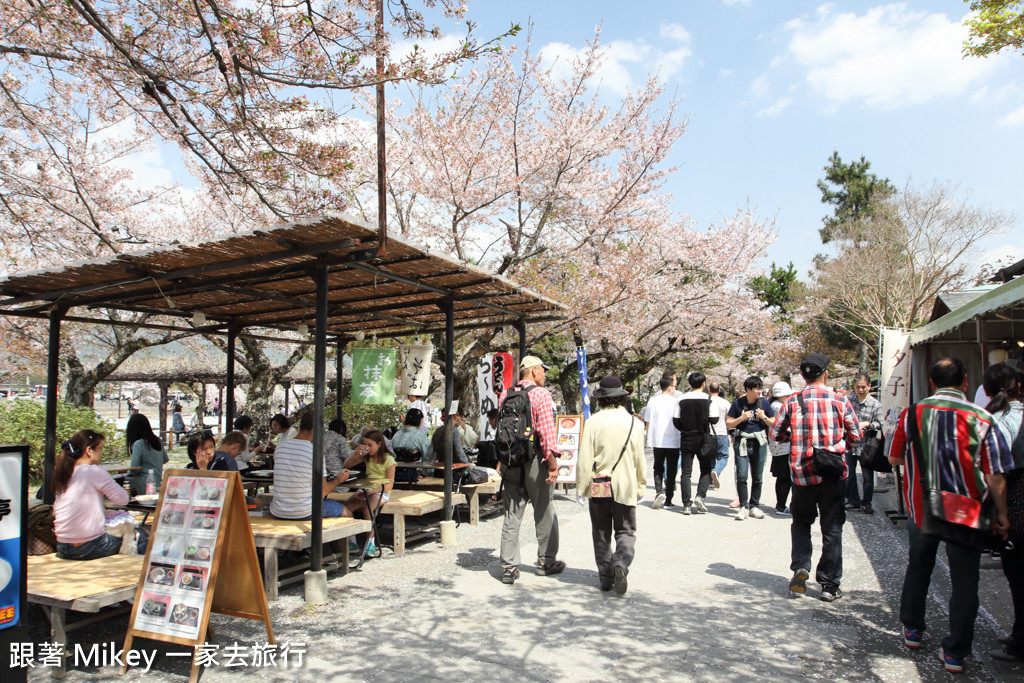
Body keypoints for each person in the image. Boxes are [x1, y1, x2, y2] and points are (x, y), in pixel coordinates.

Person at [887, 357, 1012, 673]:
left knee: (919, 567)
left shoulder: (911, 414)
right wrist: (1002, 513)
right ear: (966, 381)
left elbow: (894, 456)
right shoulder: (982, 418)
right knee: (965, 580)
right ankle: (955, 652)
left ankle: (913, 630)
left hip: (922, 507)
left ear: (931, 382)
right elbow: (996, 474)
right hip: (966, 510)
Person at [771, 353, 861, 602]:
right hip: (833, 474)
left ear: (802, 376)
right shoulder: (840, 400)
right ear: (826, 374)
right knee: (832, 528)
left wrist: (795, 439)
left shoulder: (793, 401)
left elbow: (776, 433)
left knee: (801, 523)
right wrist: (842, 444)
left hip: (802, 474)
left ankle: (801, 566)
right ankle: (829, 584)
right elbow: (856, 435)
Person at [498, 355, 565, 584]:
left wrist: (502, 460)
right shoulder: (541, 394)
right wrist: (553, 465)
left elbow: (499, 430)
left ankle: (508, 567)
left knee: (511, 513)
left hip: (511, 462)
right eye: (543, 370)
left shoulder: (505, 396)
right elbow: (546, 434)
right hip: (536, 460)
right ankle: (546, 561)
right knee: (544, 510)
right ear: (534, 370)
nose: (545, 375)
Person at [576, 376, 646, 594]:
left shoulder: (593, 422)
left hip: (599, 485)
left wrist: (581, 488)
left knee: (601, 532)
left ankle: (606, 577)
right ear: (621, 398)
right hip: (625, 484)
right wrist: (641, 486)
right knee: (625, 530)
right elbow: (640, 459)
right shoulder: (635, 423)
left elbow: (585, 458)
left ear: (601, 399)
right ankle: (621, 563)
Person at [53, 430, 149, 559]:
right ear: (89, 451)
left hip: (62, 545)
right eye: (100, 449)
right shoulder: (93, 471)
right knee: (140, 536)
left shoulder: (63, 472)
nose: (101, 453)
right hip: (88, 546)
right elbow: (122, 499)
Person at [983, 360, 1024, 663]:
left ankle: (1019, 642)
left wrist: (1002, 514)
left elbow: (996, 473)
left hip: (1016, 498)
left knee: (1018, 573)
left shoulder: (998, 420)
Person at [270, 413, 352, 520]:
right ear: (317, 429)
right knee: (348, 512)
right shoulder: (314, 451)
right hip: (304, 511)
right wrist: (338, 480)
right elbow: (323, 491)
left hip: (278, 510)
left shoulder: (280, 448)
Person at [726, 376, 776, 520]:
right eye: (756, 388)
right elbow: (729, 423)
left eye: (760, 388)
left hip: (759, 442)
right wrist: (741, 418)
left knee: (758, 476)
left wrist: (763, 417)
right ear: (748, 389)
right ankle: (743, 506)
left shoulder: (764, 404)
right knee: (742, 475)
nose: (759, 391)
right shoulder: (737, 404)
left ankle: (754, 505)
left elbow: (773, 423)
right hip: (742, 440)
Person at [342, 429, 395, 557]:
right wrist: (356, 454)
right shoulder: (367, 457)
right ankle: (352, 541)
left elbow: (389, 484)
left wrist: (373, 492)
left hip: (381, 491)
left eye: (370, 445)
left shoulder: (388, 459)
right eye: (365, 444)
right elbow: (346, 465)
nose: (367, 448)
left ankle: (371, 543)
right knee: (345, 508)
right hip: (366, 489)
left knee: (367, 508)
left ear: (379, 444)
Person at [673, 371, 719, 514]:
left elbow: (675, 420)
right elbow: (715, 419)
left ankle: (686, 504)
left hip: (687, 437)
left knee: (686, 472)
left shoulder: (682, 398)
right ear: (704, 384)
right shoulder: (709, 399)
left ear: (689, 384)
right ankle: (700, 496)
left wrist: (685, 428)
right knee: (705, 469)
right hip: (703, 438)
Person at [846, 373, 883, 514]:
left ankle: (867, 502)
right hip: (850, 443)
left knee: (867, 477)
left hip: (867, 444)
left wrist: (867, 424)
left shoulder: (875, 404)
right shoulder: (848, 401)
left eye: (863, 387)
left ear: (869, 386)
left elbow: (879, 424)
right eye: (857, 387)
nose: (860, 390)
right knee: (849, 474)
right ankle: (853, 500)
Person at [644, 374, 681, 509]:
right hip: (673, 440)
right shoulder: (675, 402)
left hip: (657, 440)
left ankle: (659, 491)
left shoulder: (653, 401)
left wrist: (649, 437)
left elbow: (647, 421)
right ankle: (669, 499)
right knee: (671, 470)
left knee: (658, 467)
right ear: (670, 387)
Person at [125, 413, 169, 495]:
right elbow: (165, 459)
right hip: (157, 481)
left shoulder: (139, 444)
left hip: (144, 483)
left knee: (114, 481)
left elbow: (134, 470)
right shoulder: (157, 440)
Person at [768, 382, 794, 516]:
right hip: (782, 445)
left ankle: (781, 504)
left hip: (778, 445)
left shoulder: (774, 404)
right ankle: (781, 505)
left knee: (783, 477)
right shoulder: (779, 406)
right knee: (785, 477)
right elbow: (782, 424)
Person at [707, 382, 732, 490]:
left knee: (711, 456)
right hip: (722, 432)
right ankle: (716, 471)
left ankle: (711, 480)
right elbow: (729, 418)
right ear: (719, 391)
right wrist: (731, 433)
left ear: (709, 390)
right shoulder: (725, 402)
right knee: (723, 456)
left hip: (709, 433)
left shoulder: (706, 401)